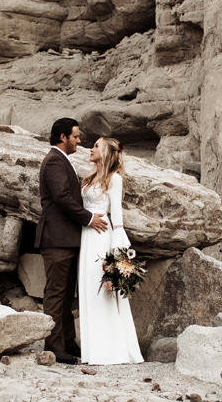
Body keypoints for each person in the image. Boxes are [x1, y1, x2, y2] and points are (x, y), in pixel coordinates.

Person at [35, 118, 107, 364]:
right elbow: (63, 197)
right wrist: (88, 219)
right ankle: (54, 347)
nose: (79, 141)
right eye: (76, 136)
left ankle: (68, 343)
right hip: (56, 238)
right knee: (56, 293)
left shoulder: (61, 160)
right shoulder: (55, 160)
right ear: (63, 137)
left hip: (66, 239)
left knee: (66, 295)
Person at [76, 136, 143, 365]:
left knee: (103, 289)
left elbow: (118, 218)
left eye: (96, 146)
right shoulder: (89, 178)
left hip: (102, 237)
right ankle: (92, 350)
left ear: (106, 152)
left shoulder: (114, 179)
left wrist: (118, 256)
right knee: (87, 289)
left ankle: (110, 351)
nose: (91, 148)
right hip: (86, 236)